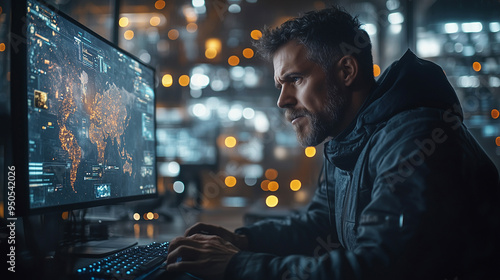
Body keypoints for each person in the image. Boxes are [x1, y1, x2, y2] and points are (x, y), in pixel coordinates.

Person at [165, 6, 500, 280]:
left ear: (347, 70)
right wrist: (242, 240)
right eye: (280, 86)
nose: (282, 101)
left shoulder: (414, 140)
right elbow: (320, 227)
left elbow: (378, 269)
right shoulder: (348, 139)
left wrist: (237, 265)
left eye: (294, 79)